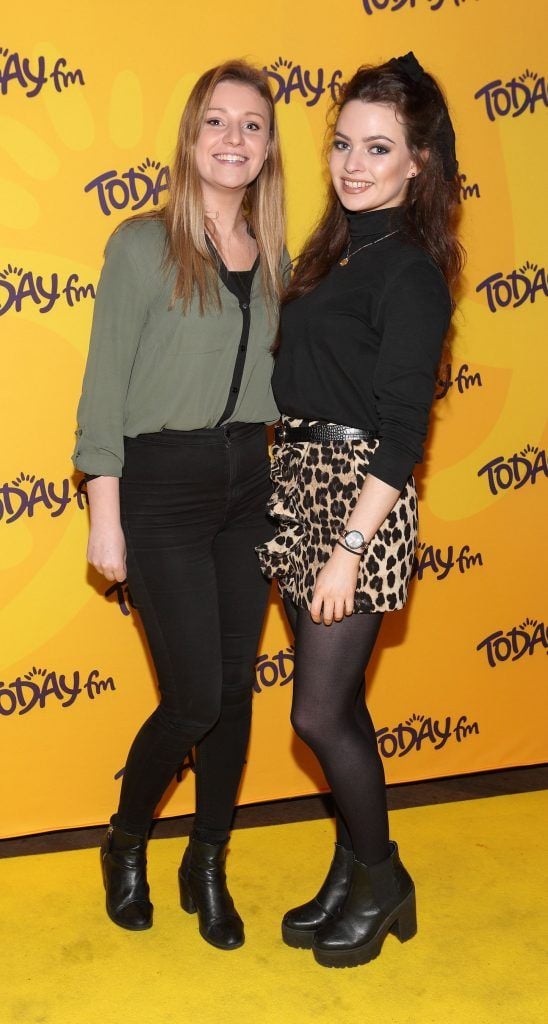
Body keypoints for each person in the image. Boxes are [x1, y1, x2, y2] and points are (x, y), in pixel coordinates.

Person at [257, 52, 464, 969]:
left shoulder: (409, 271)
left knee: (316, 716)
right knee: (340, 707)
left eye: (378, 147)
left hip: (358, 507)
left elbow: (401, 428)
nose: (353, 163)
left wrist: (347, 548)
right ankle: (353, 870)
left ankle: (383, 882)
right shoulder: (338, 249)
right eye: (343, 143)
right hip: (301, 491)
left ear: (417, 161)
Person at [72, 60, 286, 949]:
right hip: (159, 487)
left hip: (251, 484)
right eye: (217, 123)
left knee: (236, 690)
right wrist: (105, 515)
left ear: (270, 147)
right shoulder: (141, 245)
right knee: (194, 695)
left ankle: (208, 860)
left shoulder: (277, 257)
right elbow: (103, 395)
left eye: (252, 125)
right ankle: (125, 840)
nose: (234, 139)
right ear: (191, 138)